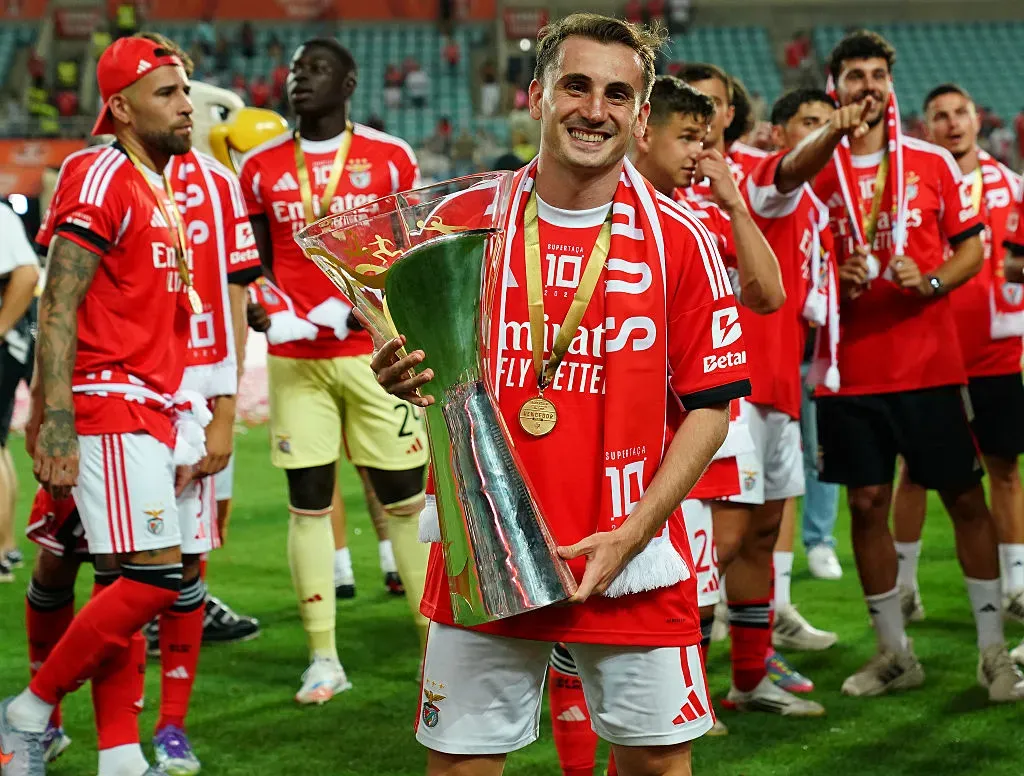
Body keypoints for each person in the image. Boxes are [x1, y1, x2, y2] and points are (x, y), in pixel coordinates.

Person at [372, 14, 752, 775]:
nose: (594, 109)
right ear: (536, 95)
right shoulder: (462, 226)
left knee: (655, 765)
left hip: (633, 553)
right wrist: (401, 371)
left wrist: (635, 532)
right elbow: (432, 370)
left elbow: (712, 407)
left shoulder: (683, 239)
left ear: (640, 117)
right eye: (575, 86)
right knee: (461, 764)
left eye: (618, 94)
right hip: (488, 542)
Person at [772, 28, 1024, 701]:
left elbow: (972, 250)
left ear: (891, 84)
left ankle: (994, 652)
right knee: (866, 502)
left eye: (878, 74)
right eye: (854, 75)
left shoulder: (933, 163)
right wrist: (834, 273)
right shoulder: (816, 169)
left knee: (965, 498)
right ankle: (893, 653)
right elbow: (787, 208)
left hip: (930, 366)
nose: (868, 86)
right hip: (847, 368)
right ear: (835, 87)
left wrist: (935, 280)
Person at [0, 33, 205, 776]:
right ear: (118, 107)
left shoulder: (158, 183)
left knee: (119, 581)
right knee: (154, 577)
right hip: (105, 404)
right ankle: (27, 712)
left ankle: (118, 753)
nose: (188, 107)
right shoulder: (100, 170)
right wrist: (54, 417)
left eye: (187, 91)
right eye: (168, 94)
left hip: (147, 406)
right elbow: (58, 299)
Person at [238, 37, 430, 705]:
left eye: (316, 70)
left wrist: (356, 309)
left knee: (408, 504)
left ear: (349, 84)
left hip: (379, 357)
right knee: (308, 506)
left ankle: (438, 651)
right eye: (294, 69)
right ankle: (323, 657)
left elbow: (412, 248)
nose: (300, 80)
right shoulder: (259, 167)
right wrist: (270, 310)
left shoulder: (389, 157)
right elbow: (249, 263)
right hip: (296, 363)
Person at [682, 64, 838, 712]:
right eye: (691, 108)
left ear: (731, 116)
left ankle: (749, 677)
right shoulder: (657, 189)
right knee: (711, 542)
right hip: (709, 394)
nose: (704, 119)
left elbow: (791, 176)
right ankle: (685, 684)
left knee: (762, 531)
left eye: (713, 107)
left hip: (773, 381)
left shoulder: (744, 173)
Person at [892, 83, 1024, 627]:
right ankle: (903, 588)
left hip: (996, 354)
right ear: (926, 126)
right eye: (940, 116)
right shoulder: (911, 187)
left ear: (976, 119)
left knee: (1004, 470)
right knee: (915, 474)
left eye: (960, 113)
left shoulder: (1011, 187)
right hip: (932, 352)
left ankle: (1015, 586)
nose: (952, 123)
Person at [766, 88, 843, 581]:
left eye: (828, 123)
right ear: (779, 133)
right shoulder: (769, 191)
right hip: (769, 349)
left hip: (817, 349)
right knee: (777, 465)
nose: (821, 132)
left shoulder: (833, 198)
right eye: (809, 121)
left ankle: (820, 540)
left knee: (818, 453)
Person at [0, 201, 40, 582]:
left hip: (11, 336)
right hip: (20, 334)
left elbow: (27, 275)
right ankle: (5, 546)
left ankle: (0, 551)